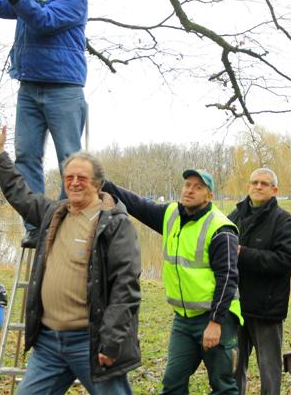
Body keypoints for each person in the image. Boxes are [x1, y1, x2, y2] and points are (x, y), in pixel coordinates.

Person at [0, 120, 140, 395]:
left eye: (82, 178)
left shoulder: (114, 223)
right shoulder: (54, 214)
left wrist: (112, 341)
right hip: (49, 344)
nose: (74, 183)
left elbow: (125, 286)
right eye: (69, 178)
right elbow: (20, 194)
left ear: (98, 183)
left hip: (89, 342)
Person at [0, 0, 88, 246]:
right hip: (29, 87)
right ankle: (36, 224)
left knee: (70, 160)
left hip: (64, 88)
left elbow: (43, 21)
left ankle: (64, 221)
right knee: (26, 156)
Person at [102, 169, 242, 395]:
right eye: (187, 184)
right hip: (184, 320)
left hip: (217, 318)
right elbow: (136, 204)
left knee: (223, 386)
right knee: (172, 383)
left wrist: (216, 323)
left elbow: (227, 278)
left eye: (198, 187)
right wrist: (104, 183)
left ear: (209, 196)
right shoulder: (171, 215)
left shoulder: (220, 228)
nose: (190, 190)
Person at [227, 168, 291, 395]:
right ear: (248, 186)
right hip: (236, 307)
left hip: (267, 309)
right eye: (254, 182)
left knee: (269, 370)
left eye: (264, 184)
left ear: (274, 190)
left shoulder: (284, 221)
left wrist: (243, 253)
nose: (258, 187)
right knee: (232, 368)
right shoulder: (233, 218)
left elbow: (283, 261)